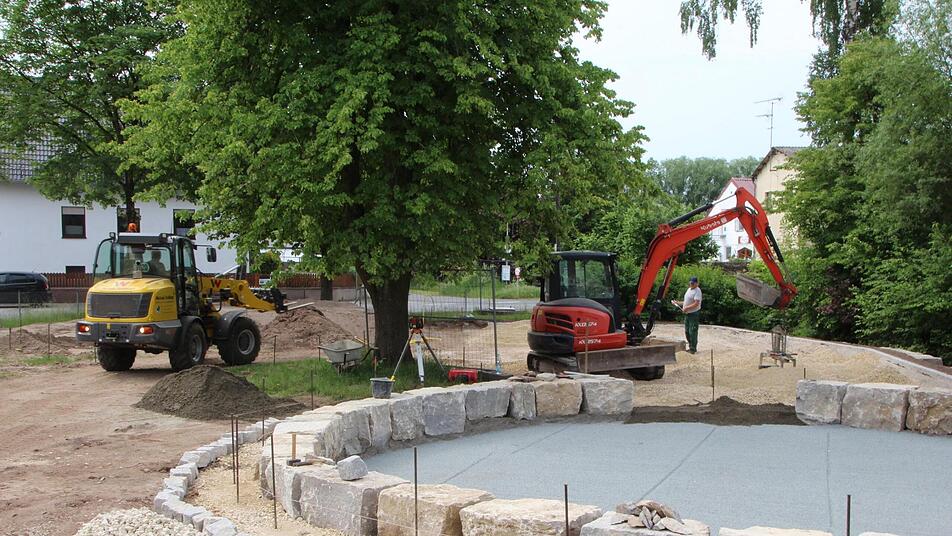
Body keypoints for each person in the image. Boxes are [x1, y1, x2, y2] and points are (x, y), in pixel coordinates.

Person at [672, 276, 702, 354]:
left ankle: (693, 349)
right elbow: (686, 301)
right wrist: (678, 303)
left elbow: (696, 303)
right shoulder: (689, 290)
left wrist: (686, 308)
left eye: (693, 283)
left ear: (696, 283)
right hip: (687, 313)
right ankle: (690, 346)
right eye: (690, 283)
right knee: (687, 331)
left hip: (693, 314)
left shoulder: (697, 291)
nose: (691, 284)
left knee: (692, 331)